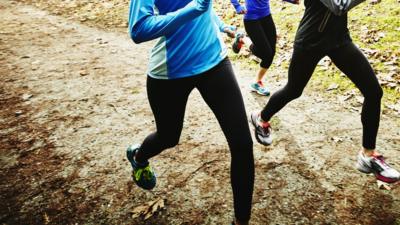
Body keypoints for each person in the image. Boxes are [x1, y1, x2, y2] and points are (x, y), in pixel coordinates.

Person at [127, 0, 254, 224]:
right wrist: (193, 9)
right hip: (170, 72)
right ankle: (139, 157)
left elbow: (204, 7)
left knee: (242, 144)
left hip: (214, 62)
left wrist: (222, 25)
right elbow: (138, 29)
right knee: (168, 136)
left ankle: (241, 221)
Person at [250, 0, 400, 182]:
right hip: (310, 42)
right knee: (294, 90)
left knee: (373, 92)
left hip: (339, 40)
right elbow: (339, 5)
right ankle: (261, 117)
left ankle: (368, 155)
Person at [229, 0, 298, 96]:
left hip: (266, 16)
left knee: (271, 53)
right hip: (251, 19)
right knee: (266, 53)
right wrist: (237, 6)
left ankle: (257, 82)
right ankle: (242, 38)